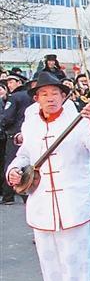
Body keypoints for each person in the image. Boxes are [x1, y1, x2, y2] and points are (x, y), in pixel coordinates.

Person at [5, 71, 90, 281]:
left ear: (64, 96)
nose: (50, 98)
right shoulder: (31, 123)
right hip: (41, 200)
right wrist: (14, 169)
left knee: (74, 255)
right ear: (36, 98)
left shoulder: (78, 119)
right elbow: (25, 154)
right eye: (44, 94)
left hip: (72, 201)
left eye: (55, 93)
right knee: (48, 256)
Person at [1, 72, 33, 204]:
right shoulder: (31, 96)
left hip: (14, 133)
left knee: (11, 164)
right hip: (30, 132)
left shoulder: (14, 97)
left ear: (19, 83)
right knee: (27, 162)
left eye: (11, 82)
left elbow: (7, 117)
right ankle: (27, 191)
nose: (9, 85)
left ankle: (9, 196)